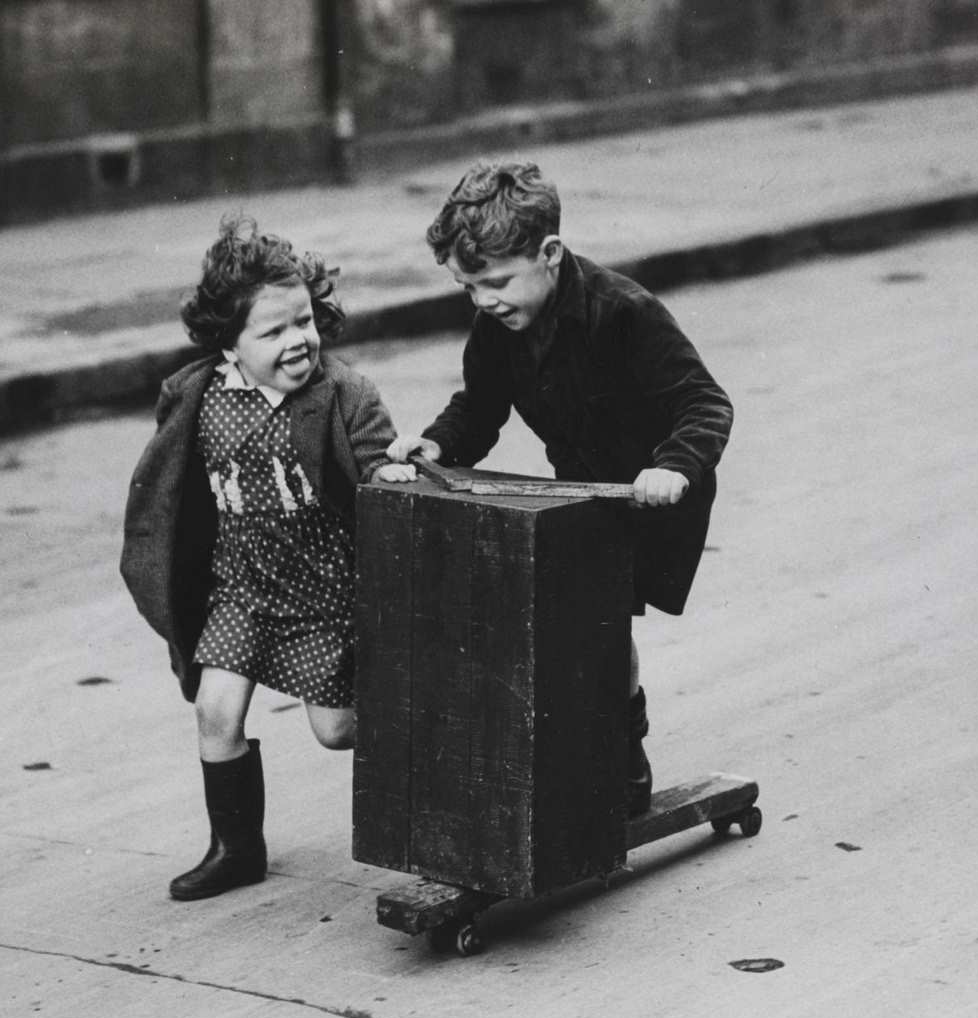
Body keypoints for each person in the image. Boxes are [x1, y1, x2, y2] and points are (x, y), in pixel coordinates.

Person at [384, 160, 733, 815]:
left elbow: (704, 402)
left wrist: (673, 468)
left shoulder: (622, 311)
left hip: (650, 497)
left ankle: (623, 758)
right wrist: (437, 443)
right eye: (467, 288)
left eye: (494, 283)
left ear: (548, 253)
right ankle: (576, 757)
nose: (483, 301)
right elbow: (479, 406)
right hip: (578, 494)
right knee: (563, 625)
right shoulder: (498, 323)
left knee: (598, 630)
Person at [121, 216, 416, 901]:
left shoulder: (344, 394)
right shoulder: (196, 397)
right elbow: (168, 487)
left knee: (337, 729)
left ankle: (425, 736)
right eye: (274, 331)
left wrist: (391, 475)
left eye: (305, 322)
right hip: (241, 587)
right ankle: (235, 848)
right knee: (215, 708)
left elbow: (376, 464)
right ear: (228, 341)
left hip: (323, 593)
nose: (298, 341)